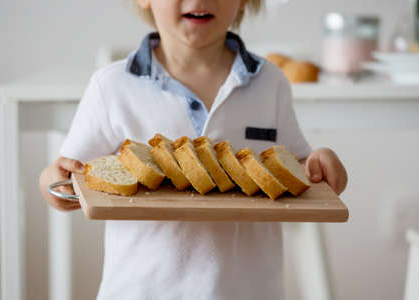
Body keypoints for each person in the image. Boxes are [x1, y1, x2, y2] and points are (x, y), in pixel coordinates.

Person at [39, 0, 348, 299]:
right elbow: (69, 172)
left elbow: (300, 167)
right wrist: (52, 182)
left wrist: (321, 163)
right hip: (141, 290)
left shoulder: (270, 82)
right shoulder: (112, 86)